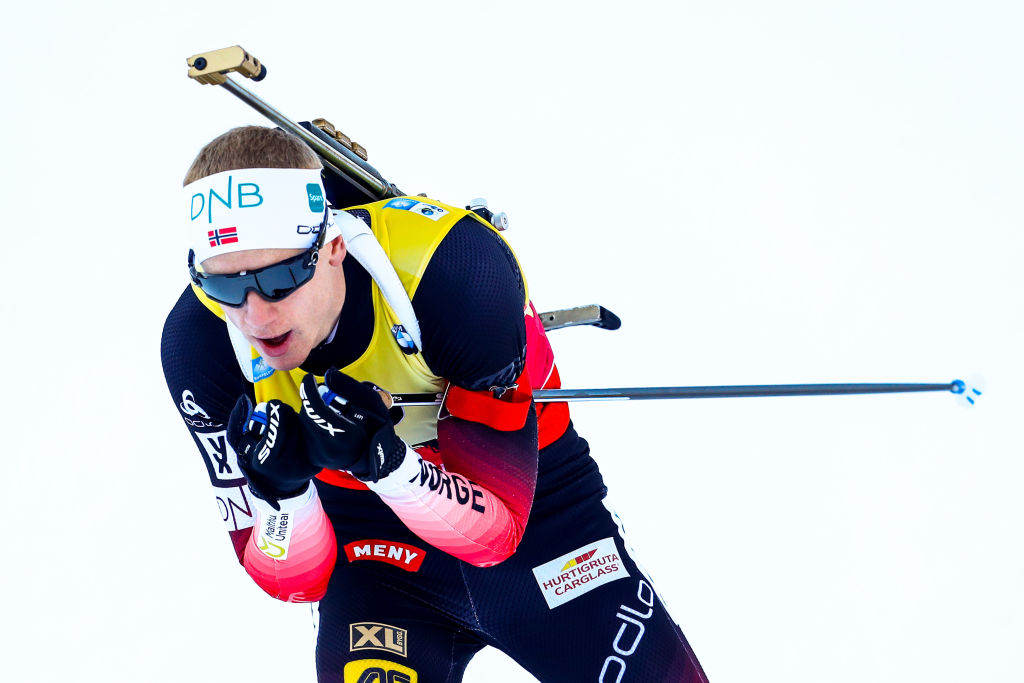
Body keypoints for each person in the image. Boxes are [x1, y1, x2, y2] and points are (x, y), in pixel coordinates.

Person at [161, 125, 709, 682]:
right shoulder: (199, 344)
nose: (256, 316)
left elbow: (496, 537)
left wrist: (388, 464)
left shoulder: (453, 271)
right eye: (226, 287)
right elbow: (291, 580)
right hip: (378, 562)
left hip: (542, 524)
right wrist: (285, 495)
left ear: (332, 249)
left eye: (279, 281)